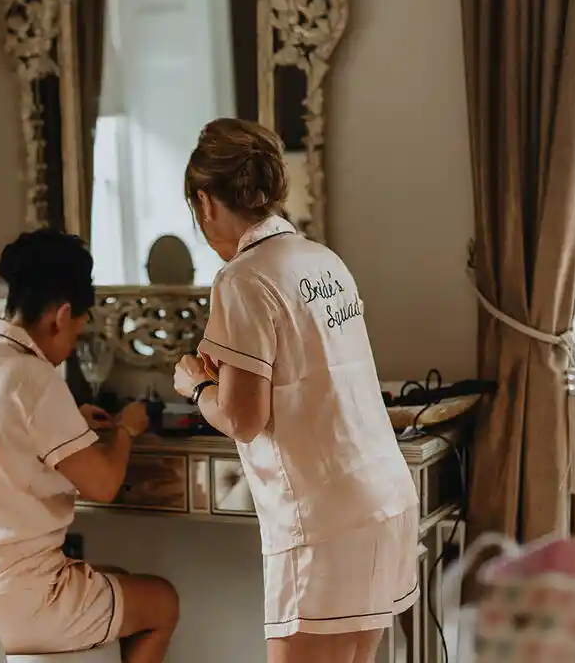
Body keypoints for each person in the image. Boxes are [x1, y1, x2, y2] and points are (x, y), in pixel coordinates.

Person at [173, 119, 419, 663]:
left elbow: (243, 420)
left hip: (324, 519)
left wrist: (197, 385)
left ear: (205, 202)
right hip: (383, 499)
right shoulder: (323, 260)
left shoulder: (243, 278)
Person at [0, 231, 179, 662]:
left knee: (116, 577)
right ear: (61, 316)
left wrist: (70, 420)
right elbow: (103, 486)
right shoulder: (32, 377)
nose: (70, 349)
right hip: (19, 602)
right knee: (162, 602)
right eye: (77, 334)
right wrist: (125, 431)